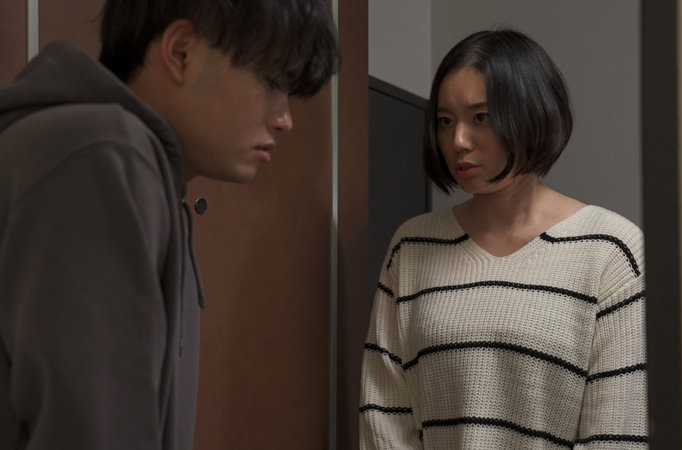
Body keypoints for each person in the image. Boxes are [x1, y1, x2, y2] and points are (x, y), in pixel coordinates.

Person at [0, 1, 338, 449]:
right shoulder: (102, 155)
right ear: (181, 52)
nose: (284, 119)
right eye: (273, 81)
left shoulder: (128, 166)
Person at [359, 29, 647, 449]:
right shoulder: (412, 246)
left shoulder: (610, 249)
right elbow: (383, 414)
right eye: (445, 121)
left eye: (481, 117)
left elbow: (618, 433)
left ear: (533, 115)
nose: (458, 141)